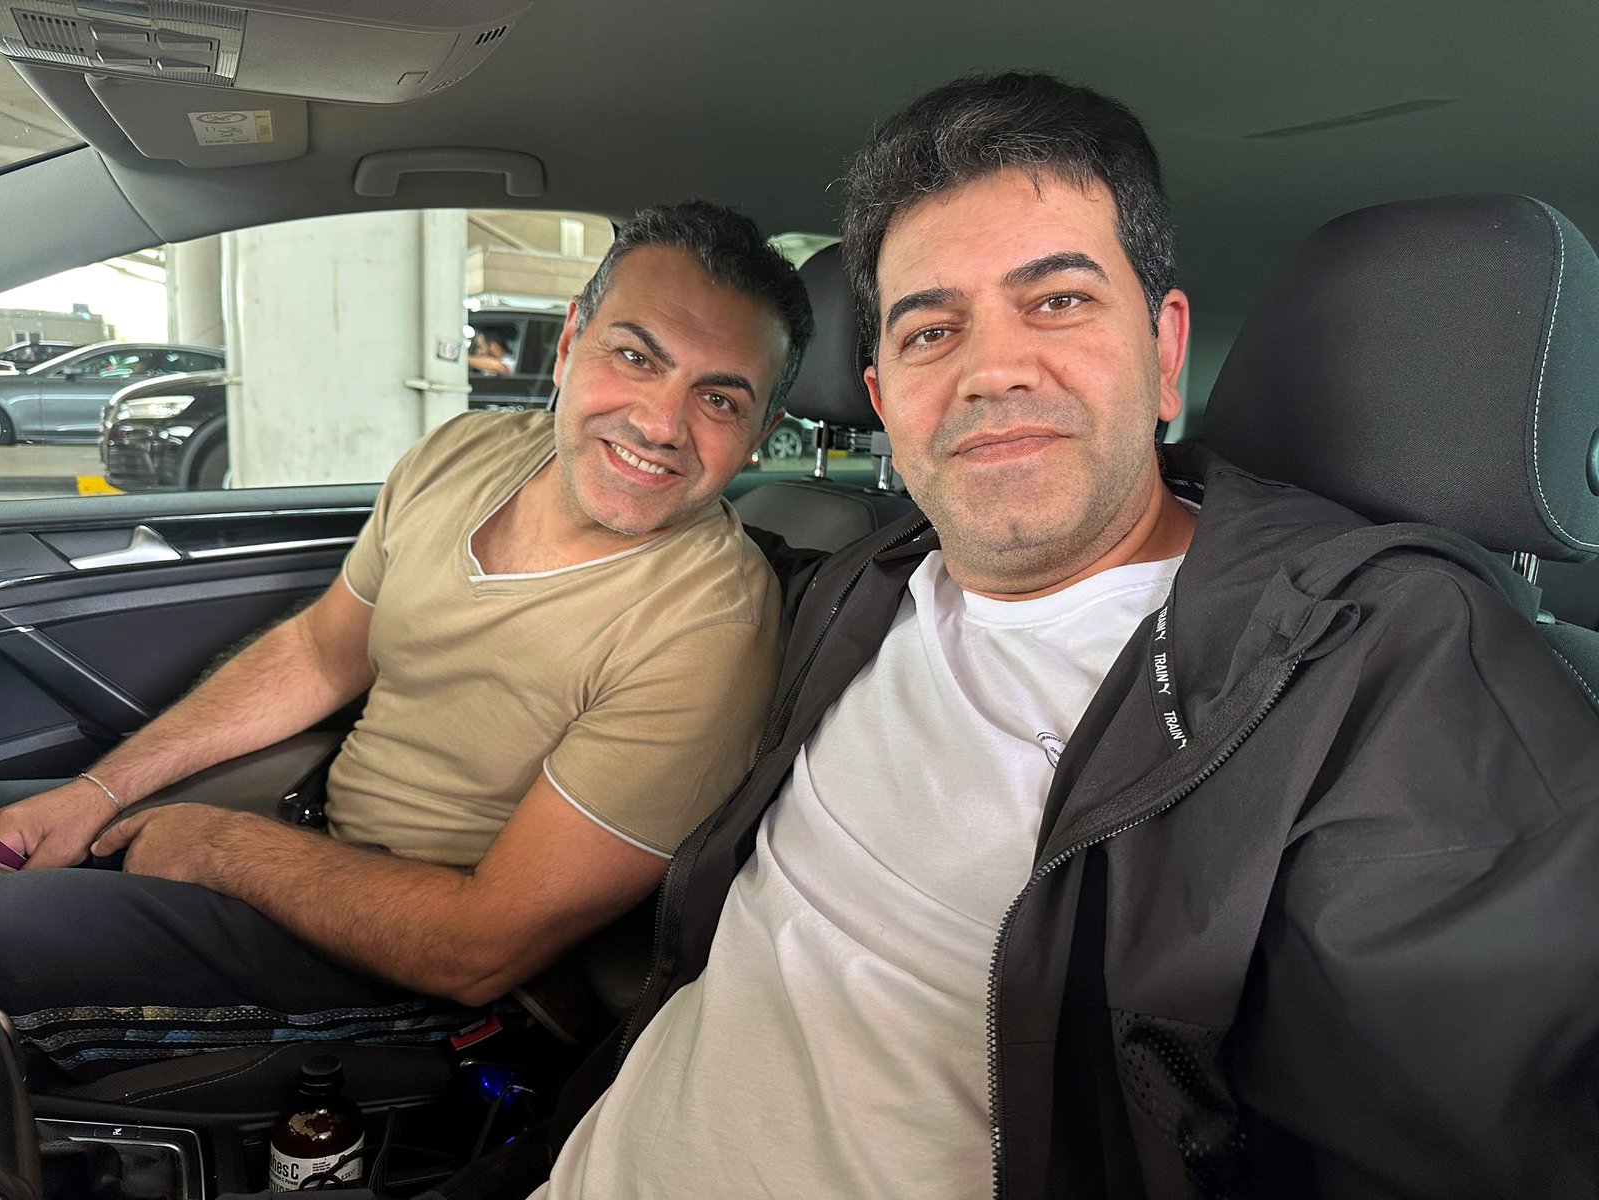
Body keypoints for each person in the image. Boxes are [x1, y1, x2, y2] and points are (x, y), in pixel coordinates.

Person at [535, 75, 1599, 1198]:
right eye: (932, 329)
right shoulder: (860, 581)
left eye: (1056, 302)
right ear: (883, 399)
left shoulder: (1383, 666)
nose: (991, 369)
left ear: (1164, 350)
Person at [0, 200, 813, 1082]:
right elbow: (320, 653)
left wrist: (219, 849)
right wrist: (96, 791)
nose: (660, 423)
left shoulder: (709, 627)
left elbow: (482, 948)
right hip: (308, 838)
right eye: (636, 356)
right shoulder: (467, 453)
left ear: (761, 437)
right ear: (571, 340)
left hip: (427, 984)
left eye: (719, 398)